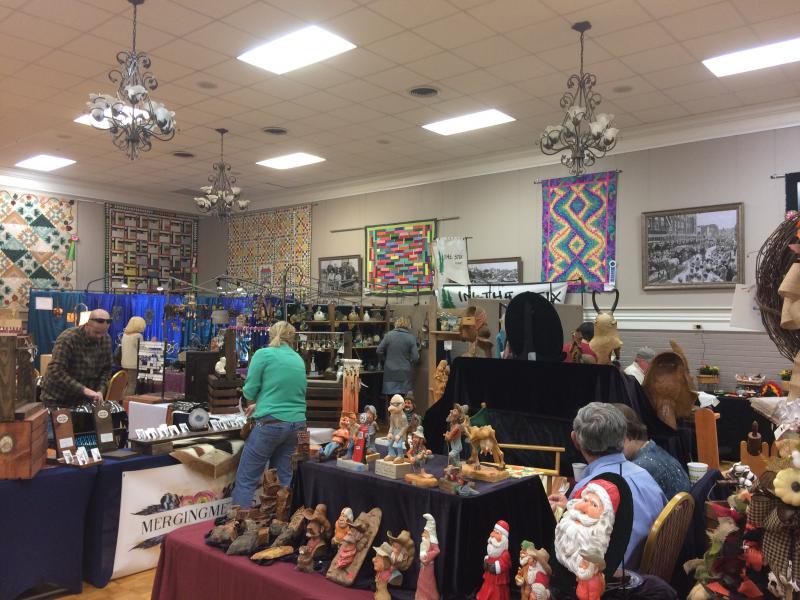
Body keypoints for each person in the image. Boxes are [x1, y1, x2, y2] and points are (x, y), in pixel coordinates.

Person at [548, 402, 666, 570]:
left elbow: (574, 558)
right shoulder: (645, 476)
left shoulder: (588, 489)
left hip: (612, 578)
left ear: (575, 440)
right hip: (649, 572)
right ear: (623, 438)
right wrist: (572, 506)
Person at [231, 321, 307, 507]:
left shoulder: (263, 354)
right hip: (297, 425)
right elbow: (288, 392)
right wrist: (261, 404)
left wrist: (254, 403)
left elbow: (249, 390)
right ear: (292, 338)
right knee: (284, 479)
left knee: (246, 480)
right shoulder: (298, 359)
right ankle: (281, 519)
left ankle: (238, 521)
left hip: (270, 424)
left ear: (270, 335)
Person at [613, 403, 691, 500]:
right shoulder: (653, 450)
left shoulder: (640, 469)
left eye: (612, 442)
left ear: (627, 436)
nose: (610, 452)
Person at [41, 308, 113, 407]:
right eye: (96, 332)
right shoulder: (68, 338)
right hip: (58, 399)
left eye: (103, 332)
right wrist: (85, 390)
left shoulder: (106, 339)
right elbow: (56, 371)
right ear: (87, 325)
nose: (100, 336)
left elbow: (106, 369)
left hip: (85, 401)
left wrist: (100, 390)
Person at [377, 315, 419, 398]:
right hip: (404, 372)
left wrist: (386, 359)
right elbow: (415, 358)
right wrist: (409, 360)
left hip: (390, 372)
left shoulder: (389, 335)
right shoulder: (411, 338)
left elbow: (379, 351)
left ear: (396, 324)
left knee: (391, 400)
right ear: (408, 325)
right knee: (403, 399)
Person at [120, 315, 145, 396]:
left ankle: (122, 400)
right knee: (132, 385)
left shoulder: (125, 335)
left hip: (124, 364)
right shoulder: (138, 336)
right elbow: (142, 350)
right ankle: (127, 401)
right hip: (134, 365)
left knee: (126, 385)